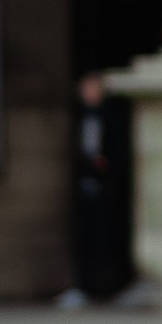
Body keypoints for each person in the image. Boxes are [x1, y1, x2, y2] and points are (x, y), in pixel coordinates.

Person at [61, 74, 134, 305]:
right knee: (85, 240)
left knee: (109, 239)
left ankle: (115, 287)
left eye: (93, 89)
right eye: (86, 89)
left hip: (107, 188)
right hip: (85, 188)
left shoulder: (112, 118)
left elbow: (118, 154)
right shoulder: (78, 118)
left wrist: (106, 168)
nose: (89, 93)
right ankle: (84, 287)